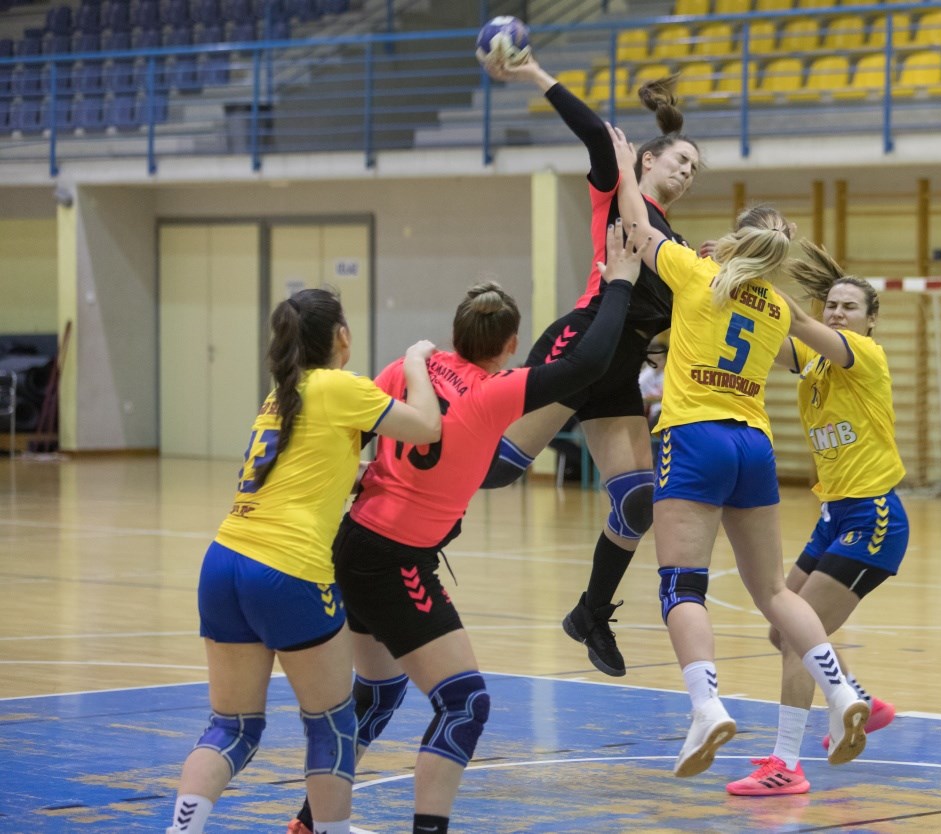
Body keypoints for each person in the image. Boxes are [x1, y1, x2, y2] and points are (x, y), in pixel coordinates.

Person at [287, 221, 648, 834]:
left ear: (455, 333)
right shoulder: (496, 391)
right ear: (510, 345)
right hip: (395, 559)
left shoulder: (408, 369)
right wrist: (620, 284)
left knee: (378, 695)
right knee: (464, 703)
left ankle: (308, 822)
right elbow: (587, 363)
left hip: (354, 543)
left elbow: (352, 440)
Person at [609, 127, 870, 779]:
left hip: (695, 436)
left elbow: (636, 224)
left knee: (682, 584)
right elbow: (801, 356)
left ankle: (706, 706)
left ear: (734, 241)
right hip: (754, 444)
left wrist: (623, 164)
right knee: (775, 592)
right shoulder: (776, 306)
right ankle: (841, 693)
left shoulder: (697, 273)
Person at [166, 288, 444, 834]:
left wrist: (353, 477)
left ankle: (182, 829)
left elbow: (303, 471)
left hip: (223, 561)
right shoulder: (338, 386)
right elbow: (427, 426)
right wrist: (417, 361)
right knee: (331, 726)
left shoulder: (282, 395)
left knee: (232, 728)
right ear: (341, 335)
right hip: (287, 570)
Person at [477, 48, 702, 678]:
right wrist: (532, 73)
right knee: (497, 470)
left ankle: (590, 613)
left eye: (694, 169)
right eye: (680, 160)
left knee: (637, 502)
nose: (687, 172)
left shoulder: (676, 244)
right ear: (648, 159)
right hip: (581, 344)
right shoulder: (617, 192)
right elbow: (596, 134)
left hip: (619, 369)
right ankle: (393, 482)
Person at [725, 246, 909, 796]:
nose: (837, 313)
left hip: (872, 517)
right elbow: (771, 334)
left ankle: (787, 764)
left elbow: (796, 322)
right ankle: (861, 702)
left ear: (870, 320)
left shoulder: (864, 354)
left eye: (850, 307)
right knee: (782, 627)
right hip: (834, 516)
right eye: (832, 305)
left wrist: (745, 267)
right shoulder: (815, 360)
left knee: (795, 640)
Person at [639, 336, 667, 429]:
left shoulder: (669, 374)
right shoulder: (646, 374)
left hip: (666, 411)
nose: (655, 363)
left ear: (666, 359)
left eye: (659, 359)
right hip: (653, 414)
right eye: (652, 360)